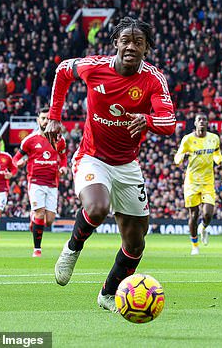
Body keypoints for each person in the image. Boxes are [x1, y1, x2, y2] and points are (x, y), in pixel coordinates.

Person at [44, 17, 176, 312]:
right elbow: (63, 70)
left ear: (146, 48)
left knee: (136, 243)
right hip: (92, 157)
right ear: (115, 43)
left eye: (138, 42)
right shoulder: (95, 67)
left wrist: (148, 120)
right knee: (97, 207)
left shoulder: (154, 79)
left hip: (127, 165)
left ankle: (107, 293)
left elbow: (169, 123)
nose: (131, 46)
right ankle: (71, 249)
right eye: (125, 41)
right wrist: (54, 116)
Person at [12, 108, 67, 257]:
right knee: (40, 213)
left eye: (48, 119)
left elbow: (63, 158)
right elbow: (15, 158)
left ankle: (33, 218)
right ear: (38, 120)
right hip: (35, 181)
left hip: (52, 183)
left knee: (49, 221)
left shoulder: (59, 140)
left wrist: (63, 168)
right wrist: (19, 163)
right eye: (43, 118)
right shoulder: (29, 140)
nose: (46, 121)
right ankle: (37, 249)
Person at [174, 113, 222, 255]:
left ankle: (203, 227)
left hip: (208, 181)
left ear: (207, 123)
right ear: (195, 123)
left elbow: (217, 153)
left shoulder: (214, 138)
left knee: (208, 214)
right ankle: (195, 245)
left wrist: (219, 160)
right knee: (193, 215)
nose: (202, 122)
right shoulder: (188, 139)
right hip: (192, 182)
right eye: (199, 120)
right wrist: (181, 158)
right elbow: (178, 156)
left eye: (204, 120)